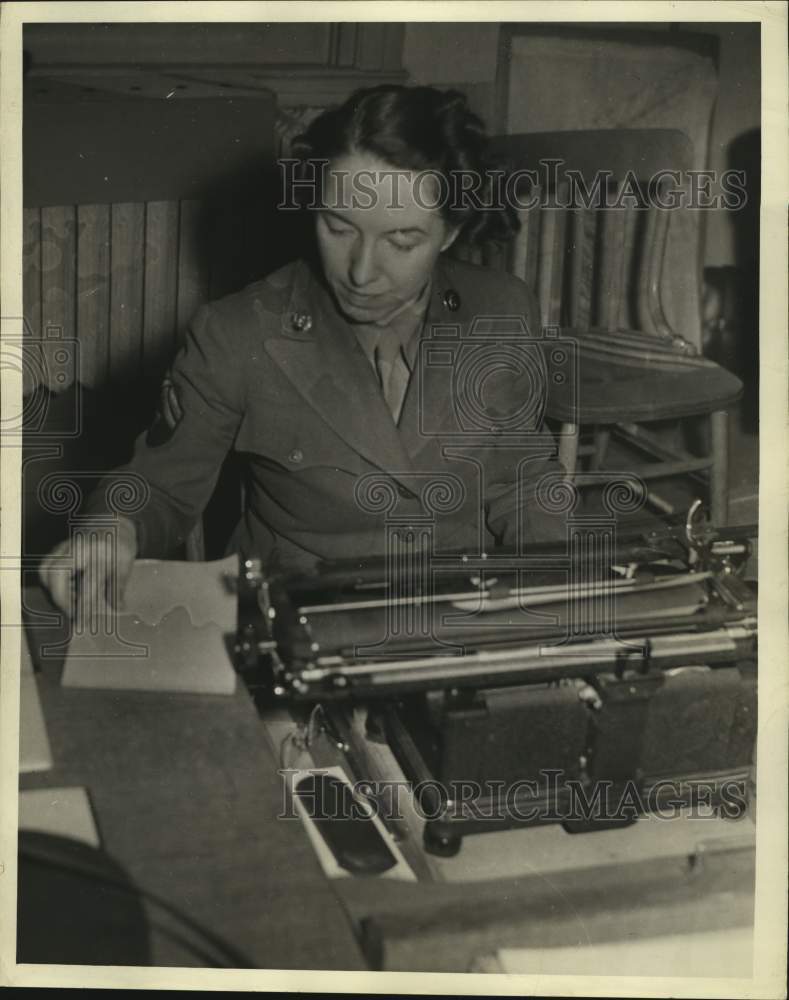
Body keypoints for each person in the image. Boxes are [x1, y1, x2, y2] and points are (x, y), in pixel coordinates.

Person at [40, 84, 563, 617]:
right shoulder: (239, 332)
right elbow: (159, 485)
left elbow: (522, 478)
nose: (360, 272)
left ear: (449, 233)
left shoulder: (500, 312)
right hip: (300, 618)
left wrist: (556, 580)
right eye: (338, 227)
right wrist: (112, 530)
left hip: (458, 612)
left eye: (401, 242)